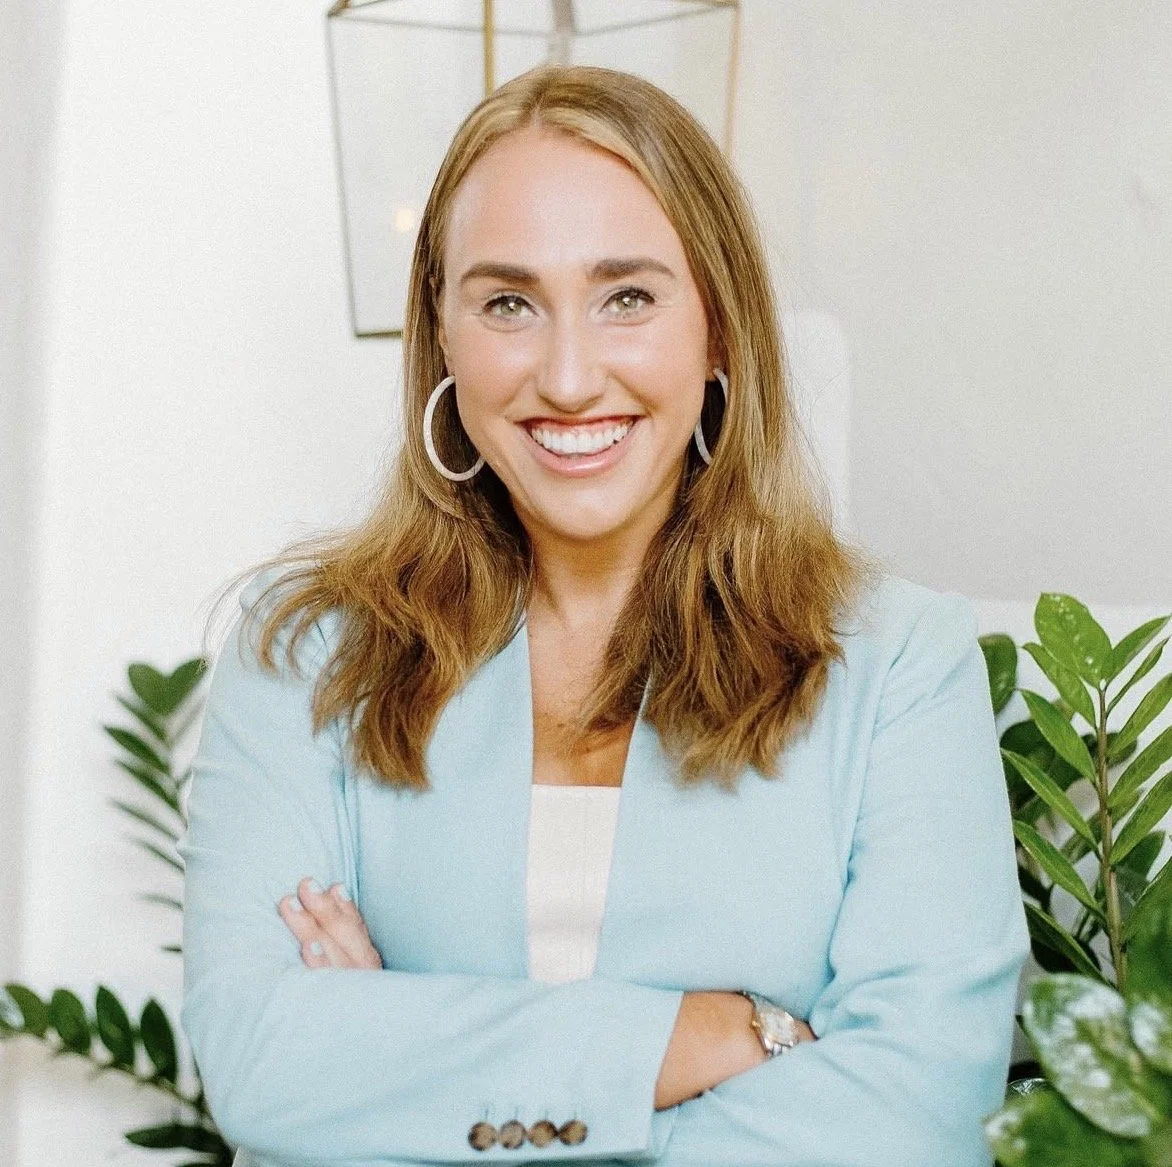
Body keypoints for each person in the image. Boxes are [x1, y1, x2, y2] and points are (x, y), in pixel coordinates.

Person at [177, 63, 1030, 1167]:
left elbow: (910, 1121)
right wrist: (705, 1034)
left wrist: (404, 1070)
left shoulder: (898, 666)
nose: (570, 375)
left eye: (626, 295)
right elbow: (259, 1060)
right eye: (506, 303)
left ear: (718, 326)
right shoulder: (306, 653)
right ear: (440, 337)